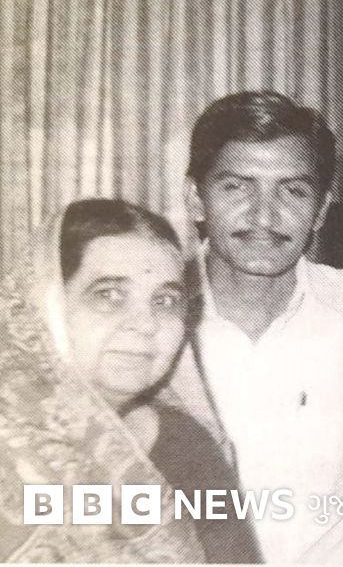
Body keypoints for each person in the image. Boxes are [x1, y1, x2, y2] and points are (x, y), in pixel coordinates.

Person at [177, 91, 343, 563]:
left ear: (321, 209)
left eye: (293, 191)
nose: (264, 216)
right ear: (196, 199)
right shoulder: (149, 322)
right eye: (237, 187)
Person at [0, 198, 257, 563]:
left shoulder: (184, 445)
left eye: (165, 300)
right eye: (109, 295)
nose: (146, 324)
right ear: (45, 306)